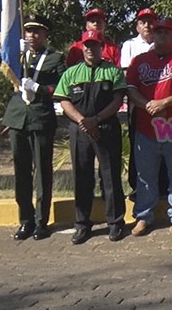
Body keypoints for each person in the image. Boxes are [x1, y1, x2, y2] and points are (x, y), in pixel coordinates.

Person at [126, 19, 172, 237]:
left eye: (166, 32)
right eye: (158, 32)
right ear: (153, 35)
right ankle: (143, 216)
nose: (162, 36)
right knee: (145, 175)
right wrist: (148, 105)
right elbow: (131, 89)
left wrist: (163, 103)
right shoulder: (140, 60)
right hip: (146, 126)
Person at [54, 30, 127, 244]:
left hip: (106, 126)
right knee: (82, 177)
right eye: (87, 45)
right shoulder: (71, 73)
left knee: (110, 176)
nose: (90, 48)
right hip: (80, 130)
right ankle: (82, 224)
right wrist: (82, 121)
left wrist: (97, 119)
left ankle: (115, 222)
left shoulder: (113, 71)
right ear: (82, 47)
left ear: (101, 47)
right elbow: (64, 100)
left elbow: (117, 99)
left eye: (94, 44)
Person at [3, 15, 65, 240]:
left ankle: (41, 221)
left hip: (40, 118)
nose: (32, 35)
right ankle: (25, 221)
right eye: (28, 31)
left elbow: (61, 86)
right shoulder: (15, 56)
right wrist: (10, 51)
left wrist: (39, 88)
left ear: (46, 34)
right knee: (21, 172)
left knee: (42, 171)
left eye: (37, 31)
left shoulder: (55, 58)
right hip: (18, 118)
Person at [120, 8, 158, 198]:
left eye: (151, 21)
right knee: (138, 143)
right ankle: (136, 186)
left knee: (163, 141)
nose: (147, 25)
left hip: (160, 99)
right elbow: (127, 75)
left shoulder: (163, 43)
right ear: (137, 26)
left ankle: (161, 184)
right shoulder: (130, 45)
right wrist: (142, 100)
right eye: (143, 22)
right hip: (138, 100)